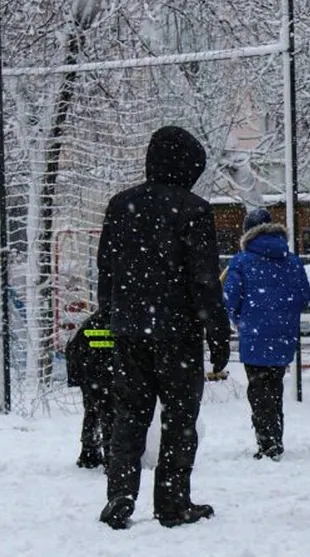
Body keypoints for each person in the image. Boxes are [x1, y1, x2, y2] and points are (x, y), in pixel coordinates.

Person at [95, 125, 231, 530]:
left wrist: (113, 317)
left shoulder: (121, 205)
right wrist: (218, 333)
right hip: (178, 334)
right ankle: (172, 503)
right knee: (178, 418)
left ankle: (119, 497)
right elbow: (204, 280)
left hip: (129, 330)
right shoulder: (194, 210)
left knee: (129, 416)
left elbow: (106, 270)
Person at [223, 207, 310, 460]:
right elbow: (304, 296)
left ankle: (267, 442)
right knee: (275, 387)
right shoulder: (292, 260)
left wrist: (239, 318)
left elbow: (230, 298)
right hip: (283, 336)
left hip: (253, 333)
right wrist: (284, 315)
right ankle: (275, 437)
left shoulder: (241, 261)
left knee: (258, 390)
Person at [64, 307, 116, 469]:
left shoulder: (93, 321)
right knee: (109, 411)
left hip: (84, 364)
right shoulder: (120, 319)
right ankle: (112, 458)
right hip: (98, 366)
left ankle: (89, 452)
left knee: (93, 408)